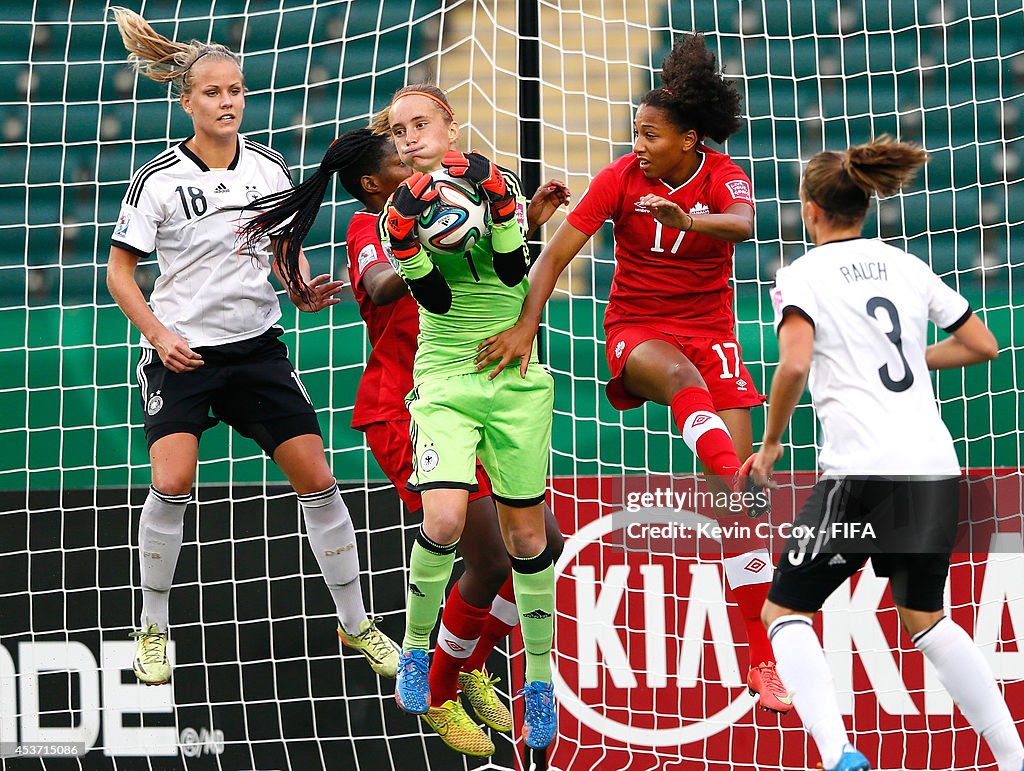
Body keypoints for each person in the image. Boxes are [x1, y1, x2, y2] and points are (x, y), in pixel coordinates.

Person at [477, 34, 790, 713]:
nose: (639, 143)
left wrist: (691, 218)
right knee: (684, 385)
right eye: (636, 133)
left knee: (735, 514)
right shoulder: (619, 179)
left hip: (714, 335)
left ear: (690, 140)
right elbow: (554, 257)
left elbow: (740, 223)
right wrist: (528, 323)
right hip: (637, 332)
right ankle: (738, 477)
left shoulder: (724, 174)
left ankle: (760, 660)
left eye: (651, 134)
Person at [240, 126, 568, 757]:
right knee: (489, 555)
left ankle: (461, 663)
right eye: (399, 157)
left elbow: (499, 266)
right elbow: (382, 285)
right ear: (373, 184)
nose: (413, 159)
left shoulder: (454, 202)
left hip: (480, 389)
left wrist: (522, 221)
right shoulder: (369, 227)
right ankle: (440, 688)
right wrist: (422, 233)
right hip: (405, 409)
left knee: (543, 543)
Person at [105, 7, 398, 688]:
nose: (227, 101)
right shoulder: (158, 179)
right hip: (185, 355)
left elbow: (277, 249)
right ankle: (152, 624)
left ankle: (357, 623)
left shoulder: (268, 168)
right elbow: (120, 271)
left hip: (257, 349)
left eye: (235, 90)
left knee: (319, 479)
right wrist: (159, 335)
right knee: (172, 480)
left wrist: (296, 286)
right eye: (213, 92)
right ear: (187, 101)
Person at [749, 136, 1022, 771]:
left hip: (861, 474)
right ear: (864, 206)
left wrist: (770, 442)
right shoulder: (907, 266)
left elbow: (793, 364)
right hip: (933, 469)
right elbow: (983, 345)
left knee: (784, 609)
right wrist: (902, 362)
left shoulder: (803, 274)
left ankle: (838, 754)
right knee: (926, 618)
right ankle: (1011, 757)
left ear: (811, 210)